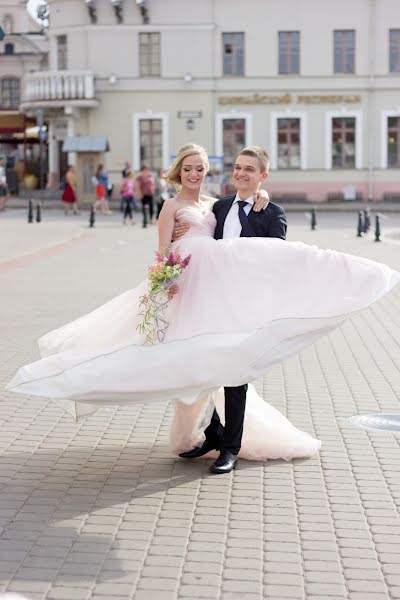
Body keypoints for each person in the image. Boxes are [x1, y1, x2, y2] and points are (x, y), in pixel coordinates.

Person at [6, 145, 400, 475]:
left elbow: (277, 262)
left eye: (248, 170)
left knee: (234, 370)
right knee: (188, 361)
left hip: (244, 306)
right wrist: (165, 283)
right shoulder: (216, 206)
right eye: (236, 168)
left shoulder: (263, 210)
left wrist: (262, 202)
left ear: (262, 176)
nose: (237, 174)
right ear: (184, 171)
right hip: (193, 295)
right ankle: (213, 432)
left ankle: (231, 443)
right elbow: (164, 252)